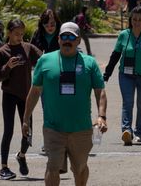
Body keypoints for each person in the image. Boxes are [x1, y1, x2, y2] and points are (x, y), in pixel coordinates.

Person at [22, 22, 107, 186]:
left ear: (78, 40)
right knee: (53, 166)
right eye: (64, 37)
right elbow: (34, 92)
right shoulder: (45, 61)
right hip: (53, 128)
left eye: (71, 37)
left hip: (81, 128)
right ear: (59, 39)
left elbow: (100, 91)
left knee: (80, 168)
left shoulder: (89, 63)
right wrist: (26, 118)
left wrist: (101, 116)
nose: (67, 40)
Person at [0, 19, 43, 180]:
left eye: (21, 34)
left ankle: (21, 155)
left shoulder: (28, 48)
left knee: (28, 131)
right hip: (9, 94)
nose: (19, 37)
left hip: (26, 95)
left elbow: (43, 59)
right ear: (9, 33)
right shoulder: (3, 52)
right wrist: (7, 66)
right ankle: (4, 168)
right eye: (16, 34)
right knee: (8, 130)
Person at [103, 6, 141, 145]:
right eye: (134, 19)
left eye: (140, 19)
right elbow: (115, 56)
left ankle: (140, 132)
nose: (137, 22)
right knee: (127, 103)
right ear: (130, 20)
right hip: (126, 75)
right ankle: (126, 131)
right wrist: (107, 74)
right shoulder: (124, 35)